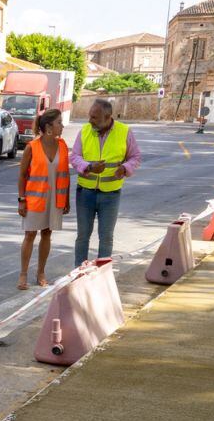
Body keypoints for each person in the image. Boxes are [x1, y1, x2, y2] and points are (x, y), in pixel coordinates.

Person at [70, 98, 143, 266]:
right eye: (90, 116)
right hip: (85, 192)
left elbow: (135, 157)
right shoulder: (85, 130)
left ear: (108, 117)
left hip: (110, 194)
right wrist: (88, 167)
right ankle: (79, 273)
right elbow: (74, 156)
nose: (90, 120)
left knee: (106, 238)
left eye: (94, 117)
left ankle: (102, 273)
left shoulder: (124, 132)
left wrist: (125, 168)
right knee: (82, 236)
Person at [16, 108, 71, 289]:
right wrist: (21, 199)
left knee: (47, 233)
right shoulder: (32, 147)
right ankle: (23, 275)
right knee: (30, 234)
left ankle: (41, 272)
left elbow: (66, 175)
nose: (62, 126)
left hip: (55, 199)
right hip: (34, 199)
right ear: (48, 127)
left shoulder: (62, 146)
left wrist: (67, 200)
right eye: (59, 123)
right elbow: (22, 175)